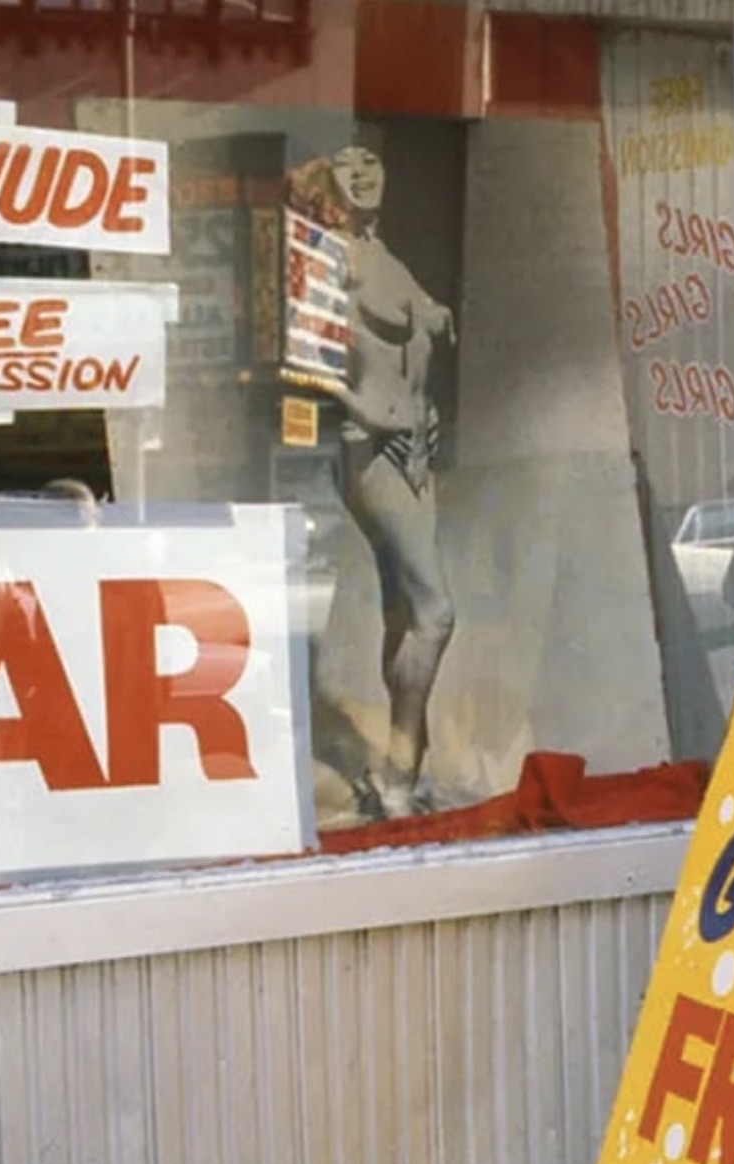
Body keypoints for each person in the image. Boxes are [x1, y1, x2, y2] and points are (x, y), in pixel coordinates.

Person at [289, 130, 458, 820]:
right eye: (349, 165)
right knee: (436, 612)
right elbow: (301, 362)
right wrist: (367, 411)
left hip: (417, 448)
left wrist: (426, 409)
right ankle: (400, 766)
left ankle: (398, 775)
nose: (363, 171)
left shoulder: (385, 257)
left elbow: (417, 337)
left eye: (372, 161)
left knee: (402, 610)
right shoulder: (331, 263)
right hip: (374, 450)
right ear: (331, 183)